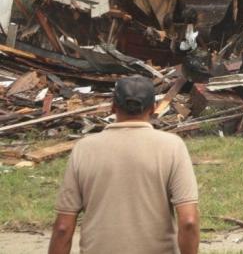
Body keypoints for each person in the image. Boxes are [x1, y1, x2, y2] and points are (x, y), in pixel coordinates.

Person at [49, 76, 200, 254]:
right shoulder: (172, 147)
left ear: (113, 106)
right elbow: (189, 221)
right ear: (153, 108)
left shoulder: (84, 149)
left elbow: (63, 228)